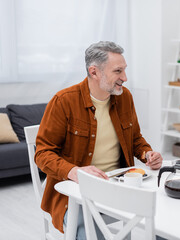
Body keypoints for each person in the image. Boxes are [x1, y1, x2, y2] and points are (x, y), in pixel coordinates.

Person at [35, 41, 163, 238]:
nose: (125, 78)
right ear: (94, 72)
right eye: (118, 71)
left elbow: (135, 138)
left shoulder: (124, 97)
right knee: (89, 232)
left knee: (161, 219)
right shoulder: (63, 101)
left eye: (124, 70)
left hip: (118, 184)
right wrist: (74, 171)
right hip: (75, 193)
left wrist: (147, 154)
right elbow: (43, 154)